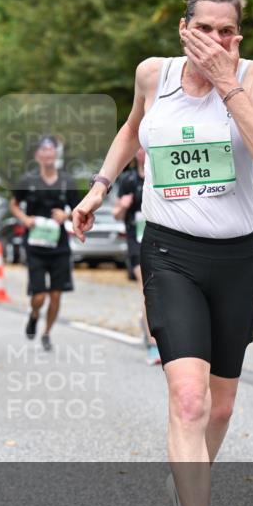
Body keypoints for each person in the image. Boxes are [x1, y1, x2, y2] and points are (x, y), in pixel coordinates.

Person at [71, 0, 253, 506]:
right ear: (182, 28)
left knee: (219, 411)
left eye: (228, 31)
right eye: (206, 29)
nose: (217, 41)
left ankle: (180, 496)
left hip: (236, 257)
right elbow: (130, 130)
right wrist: (98, 190)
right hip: (169, 251)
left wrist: (228, 81)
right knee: (188, 403)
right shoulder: (152, 75)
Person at [9, 136, 79, 351]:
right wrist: (25, 219)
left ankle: (47, 333)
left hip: (59, 247)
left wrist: (66, 216)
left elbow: (78, 211)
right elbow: (13, 204)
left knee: (56, 294)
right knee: (39, 296)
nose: (48, 154)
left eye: (52, 150)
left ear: (56, 154)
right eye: (44, 150)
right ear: (38, 155)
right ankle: (34, 314)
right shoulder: (27, 181)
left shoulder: (67, 182)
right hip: (35, 246)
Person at [112, 147, 161, 365]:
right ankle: (153, 345)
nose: (142, 151)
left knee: (160, 292)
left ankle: (148, 325)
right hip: (136, 243)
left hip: (160, 240)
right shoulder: (128, 179)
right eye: (138, 148)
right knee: (148, 291)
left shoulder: (161, 173)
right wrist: (122, 207)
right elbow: (116, 214)